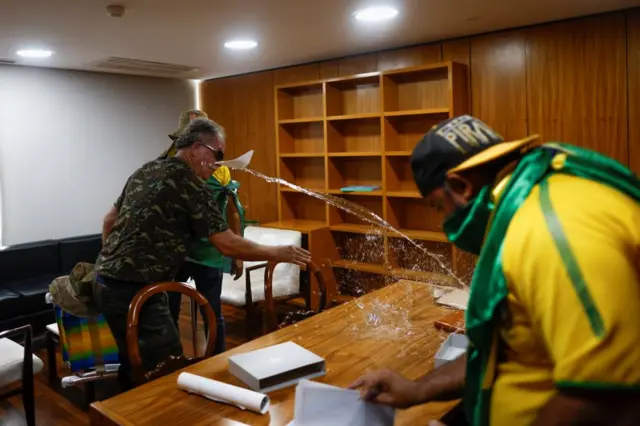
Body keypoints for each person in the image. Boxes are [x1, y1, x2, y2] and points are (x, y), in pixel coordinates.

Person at [350, 115, 640, 426]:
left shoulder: (549, 228)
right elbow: (502, 350)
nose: (443, 222)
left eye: (438, 208)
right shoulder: (529, 201)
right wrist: (417, 390)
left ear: (461, 186)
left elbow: (603, 397)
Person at [93, 117, 311, 390]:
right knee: (165, 368)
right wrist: (278, 252)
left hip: (103, 282)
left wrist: (111, 264)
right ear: (196, 149)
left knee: (132, 360)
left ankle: (124, 414)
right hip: (135, 290)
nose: (219, 162)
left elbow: (108, 221)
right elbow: (227, 244)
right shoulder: (192, 185)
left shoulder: (146, 170)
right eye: (217, 153)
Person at [167, 163, 244, 355]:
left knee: (212, 315)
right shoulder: (176, 171)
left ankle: (217, 361)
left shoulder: (220, 173)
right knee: (169, 313)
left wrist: (238, 254)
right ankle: (172, 364)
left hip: (210, 251)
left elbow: (233, 212)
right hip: (179, 253)